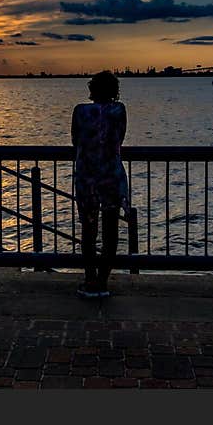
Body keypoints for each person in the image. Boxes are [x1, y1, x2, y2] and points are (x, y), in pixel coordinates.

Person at [71, 70, 129, 298]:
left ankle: (89, 278)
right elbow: (120, 138)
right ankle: (103, 282)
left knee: (88, 230)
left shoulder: (80, 111)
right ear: (114, 90)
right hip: (111, 175)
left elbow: (75, 140)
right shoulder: (119, 110)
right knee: (111, 231)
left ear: (92, 89)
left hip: (87, 176)